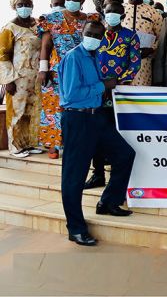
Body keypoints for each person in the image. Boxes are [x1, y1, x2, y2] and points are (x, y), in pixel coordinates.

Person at [58, 20, 135, 246]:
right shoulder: (74, 57)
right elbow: (72, 94)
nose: (92, 37)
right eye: (89, 33)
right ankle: (75, 228)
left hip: (96, 116)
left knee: (125, 154)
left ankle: (108, 202)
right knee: (75, 174)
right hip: (78, 117)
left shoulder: (94, 56)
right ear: (82, 33)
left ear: (102, 38)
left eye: (97, 35)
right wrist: (104, 86)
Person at [83, 1, 141, 190]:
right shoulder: (95, 34)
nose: (112, 15)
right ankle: (97, 173)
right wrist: (100, 83)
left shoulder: (130, 36)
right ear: (103, 13)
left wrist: (118, 82)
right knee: (95, 133)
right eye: (109, 12)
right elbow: (87, 59)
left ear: (123, 16)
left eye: (117, 13)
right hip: (97, 91)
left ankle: (117, 180)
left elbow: (135, 63)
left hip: (118, 92)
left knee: (117, 134)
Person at [38, 0, 96, 159]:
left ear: (83, 1)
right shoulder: (52, 18)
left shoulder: (89, 20)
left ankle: (73, 143)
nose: (71, 1)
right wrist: (43, 69)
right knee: (53, 106)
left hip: (81, 70)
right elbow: (46, 45)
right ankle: (53, 145)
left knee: (76, 106)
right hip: (56, 69)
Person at [0, 0, 41, 157]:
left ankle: (30, 144)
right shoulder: (9, 28)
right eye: (21, 5)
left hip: (36, 76)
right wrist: (8, 80)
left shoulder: (37, 25)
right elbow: (3, 56)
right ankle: (15, 146)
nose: (25, 7)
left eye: (27, 4)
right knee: (17, 111)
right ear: (15, 7)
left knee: (33, 110)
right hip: (18, 78)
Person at [120, 0, 164, 86]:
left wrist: (151, 50)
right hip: (119, 60)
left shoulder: (154, 13)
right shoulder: (119, 9)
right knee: (119, 92)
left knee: (140, 94)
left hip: (143, 62)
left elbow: (161, 38)